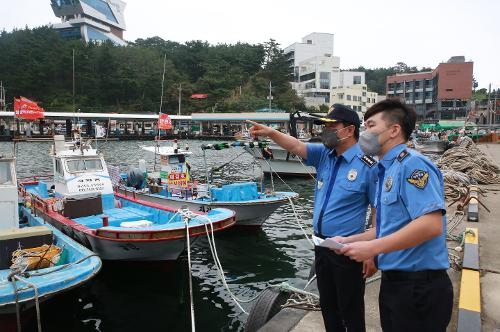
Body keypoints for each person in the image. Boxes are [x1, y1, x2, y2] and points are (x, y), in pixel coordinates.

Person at [248, 104, 378, 332]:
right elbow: (296, 145)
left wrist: (373, 251)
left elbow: (378, 210)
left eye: (331, 126)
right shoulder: (324, 155)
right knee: (328, 305)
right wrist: (271, 133)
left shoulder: (368, 166)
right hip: (321, 246)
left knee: (351, 308)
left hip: (349, 249)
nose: (325, 130)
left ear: (349, 130)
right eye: (324, 125)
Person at [337, 99, 453, 332]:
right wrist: (351, 241)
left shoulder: (412, 165)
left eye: (370, 125)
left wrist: (373, 249)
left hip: (419, 288)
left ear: (394, 130)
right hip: (395, 285)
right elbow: (389, 228)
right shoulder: (386, 169)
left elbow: (431, 224)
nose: (365, 132)